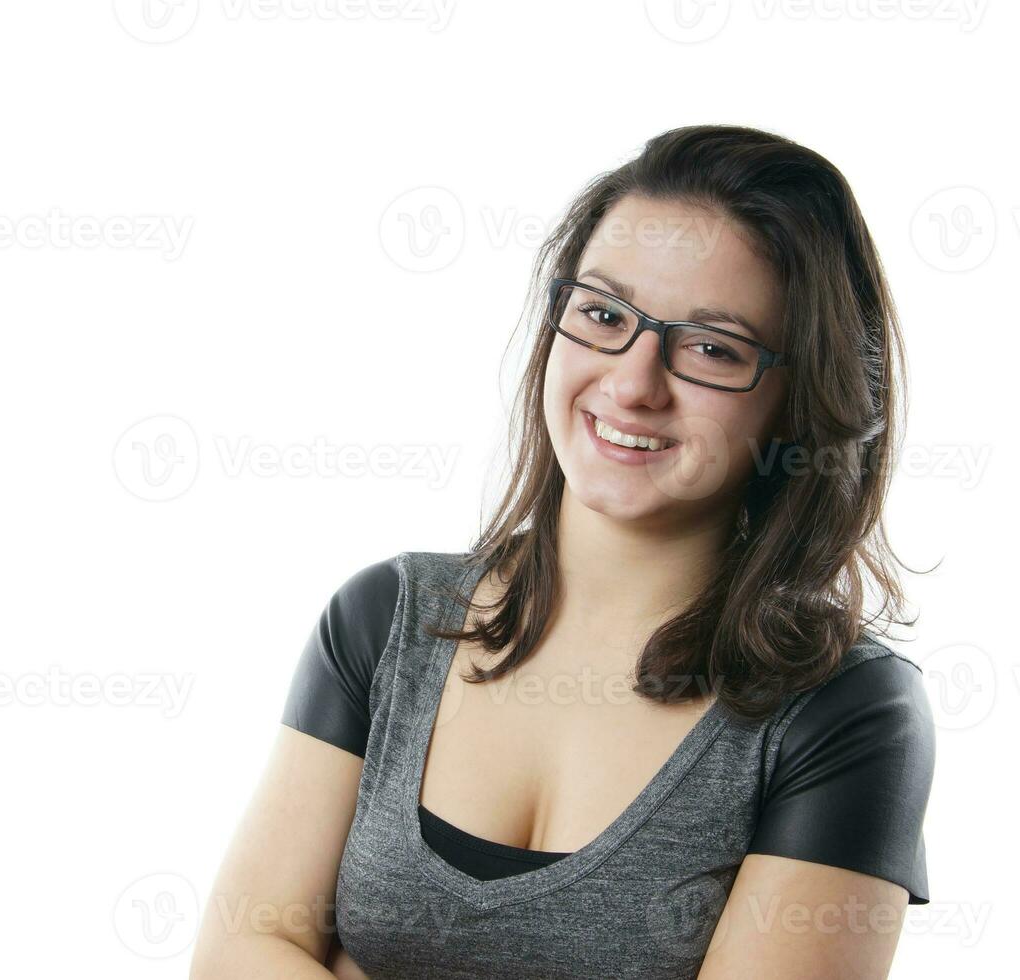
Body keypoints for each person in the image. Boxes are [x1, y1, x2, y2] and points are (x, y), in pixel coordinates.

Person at [190, 123, 936, 979]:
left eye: (710, 348)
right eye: (603, 314)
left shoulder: (846, 714)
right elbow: (237, 951)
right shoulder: (385, 622)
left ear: (800, 396)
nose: (631, 383)